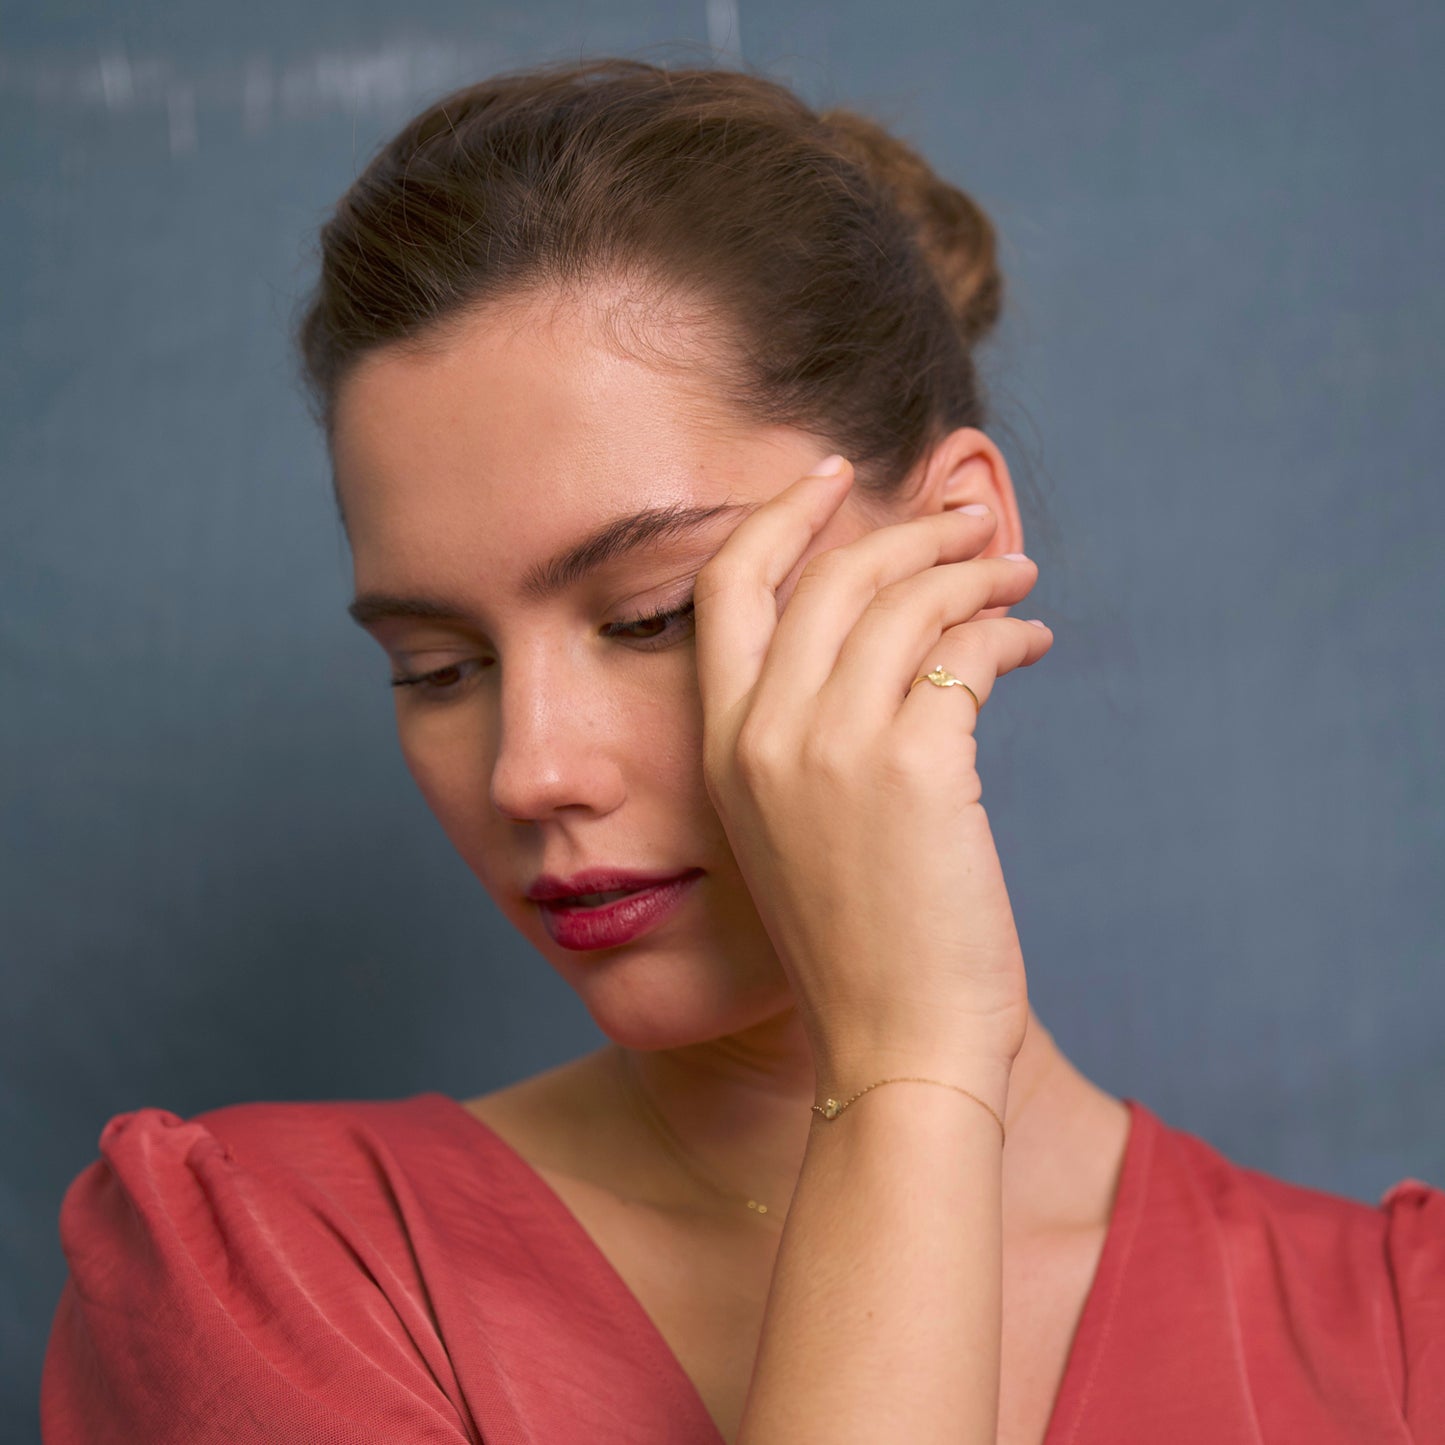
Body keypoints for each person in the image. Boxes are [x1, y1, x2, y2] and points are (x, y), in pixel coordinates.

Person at [41, 58, 1443, 1445]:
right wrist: (908, 1074)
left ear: (952, 540)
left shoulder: (1397, 1342)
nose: (529, 769)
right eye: (438, 668)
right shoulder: (270, 1278)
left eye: (654, 616)